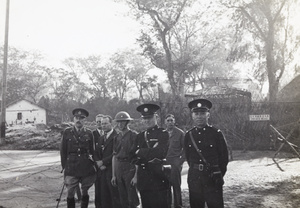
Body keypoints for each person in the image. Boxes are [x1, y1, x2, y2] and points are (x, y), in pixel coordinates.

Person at [184, 99, 229, 208]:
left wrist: (217, 174)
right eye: (196, 113)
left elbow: (224, 158)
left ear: (208, 115)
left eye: (202, 113)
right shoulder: (188, 135)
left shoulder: (216, 134)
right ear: (192, 116)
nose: (199, 116)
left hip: (212, 177)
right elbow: (188, 158)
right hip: (194, 178)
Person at [131, 103, 171, 208]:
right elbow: (132, 156)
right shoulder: (140, 136)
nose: (147, 120)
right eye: (144, 118)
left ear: (156, 117)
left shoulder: (163, 133)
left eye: (149, 117)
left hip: (159, 177)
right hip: (144, 179)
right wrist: (149, 152)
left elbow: (161, 152)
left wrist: (141, 152)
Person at [60, 108, 96, 208]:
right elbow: (63, 151)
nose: (78, 120)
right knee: (70, 192)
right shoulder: (67, 132)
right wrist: (64, 167)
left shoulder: (89, 133)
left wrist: (93, 165)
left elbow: (92, 151)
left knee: (85, 191)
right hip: (71, 166)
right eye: (76, 117)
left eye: (81, 118)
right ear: (73, 119)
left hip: (85, 167)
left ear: (85, 120)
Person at [111, 111, 140, 208]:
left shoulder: (134, 136)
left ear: (127, 122)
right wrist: (114, 175)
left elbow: (137, 157)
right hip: (119, 167)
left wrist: (135, 176)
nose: (120, 124)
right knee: (122, 197)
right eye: (118, 122)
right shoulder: (116, 137)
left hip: (130, 166)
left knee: (132, 197)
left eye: (123, 122)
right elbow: (114, 156)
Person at [95, 115, 122, 208]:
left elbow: (116, 153)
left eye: (106, 123)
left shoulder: (117, 136)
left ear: (112, 124)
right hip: (102, 172)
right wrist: (99, 163)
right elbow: (96, 153)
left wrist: (104, 162)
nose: (103, 125)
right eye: (102, 124)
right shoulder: (101, 138)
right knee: (104, 197)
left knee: (114, 197)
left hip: (112, 171)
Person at [165, 114, 185, 208]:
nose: (170, 122)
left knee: (176, 186)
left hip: (175, 162)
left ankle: (178, 205)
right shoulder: (163, 133)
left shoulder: (180, 133)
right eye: (168, 120)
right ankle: (168, 205)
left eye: (171, 120)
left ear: (174, 121)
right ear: (165, 122)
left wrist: (179, 162)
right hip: (165, 162)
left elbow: (185, 150)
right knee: (166, 186)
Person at [93, 114, 104, 208]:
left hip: (107, 165)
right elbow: (92, 151)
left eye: (100, 122)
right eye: (97, 122)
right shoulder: (93, 134)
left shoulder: (108, 133)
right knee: (98, 188)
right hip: (97, 166)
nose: (99, 124)